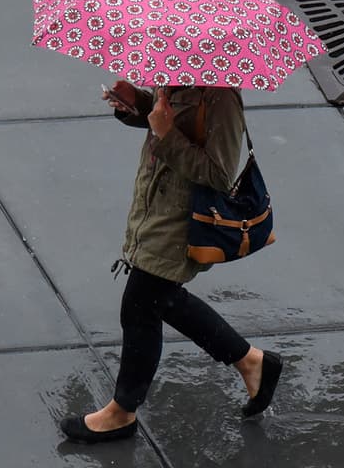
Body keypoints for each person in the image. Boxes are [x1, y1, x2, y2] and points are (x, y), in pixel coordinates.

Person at [59, 81, 283, 444]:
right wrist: (136, 102)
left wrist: (165, 134)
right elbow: (166, 116)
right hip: (154, 208)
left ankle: (121, 412)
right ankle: (251, 362)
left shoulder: (222, 97)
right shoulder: (181, 75)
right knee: (160, 300)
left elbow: (220, 174)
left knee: (139, 306)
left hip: (181, 220)